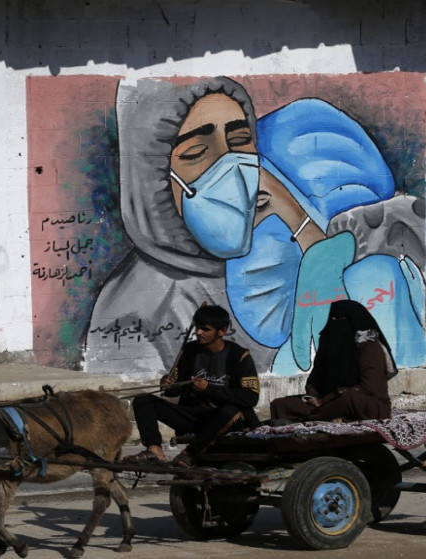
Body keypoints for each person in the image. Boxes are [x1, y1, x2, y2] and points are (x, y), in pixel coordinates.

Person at [84, 76, 274, 375]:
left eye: (239, 142)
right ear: (153, 177)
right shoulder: (133, 311)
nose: (232, 167)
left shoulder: (271, 263)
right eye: (197, 152)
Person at [122, 305, 260, 467]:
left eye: (205, 329)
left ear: (222, 331)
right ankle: (154, 450)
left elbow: (250, 397)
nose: (198, 332)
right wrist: (168, 384)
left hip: (223, 419)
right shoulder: (190, 351)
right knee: (143, 400)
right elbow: (177, 389)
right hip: (194, 415)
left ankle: (189, 453)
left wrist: (209, 389)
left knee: (230, 411)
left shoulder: (239, 356)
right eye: (197, 327)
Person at [269, 300, 395, 423]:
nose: (336, 324)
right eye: (333, 319)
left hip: (365, 404)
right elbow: (314, 380)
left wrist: (327, 400)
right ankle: (323, 417)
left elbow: (369, 388)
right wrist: (313, 397)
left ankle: (307, 419)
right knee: (280, 404)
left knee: (348, 400)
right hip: (324, 403)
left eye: (342, 319)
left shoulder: (369, 347)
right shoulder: (328, 345)